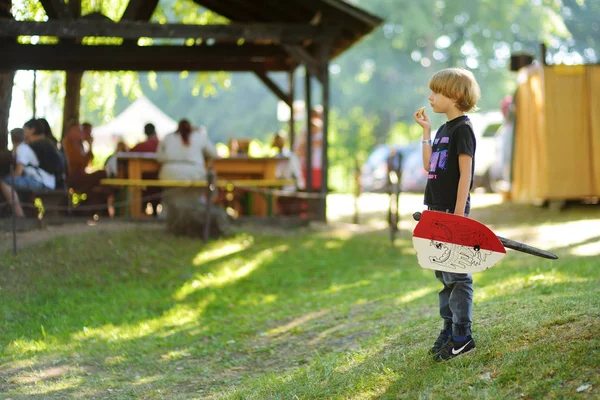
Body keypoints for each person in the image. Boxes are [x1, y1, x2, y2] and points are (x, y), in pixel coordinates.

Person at [414, 67, 480, 361]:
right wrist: (427, 133)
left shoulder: (463, 129)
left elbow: (466, 174)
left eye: (436, 92)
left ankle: (462, 336)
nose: (430, 97)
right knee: (443, 274)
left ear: (454, 94)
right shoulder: (443, 129)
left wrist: (457, 215)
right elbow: (429, 167)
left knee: (458, 276)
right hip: (436, 211)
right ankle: (449, 328)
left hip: (451, 213)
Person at [157, 119, 230, 236]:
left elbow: (159, 157)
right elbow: (214, 154)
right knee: (195, 199)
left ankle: (171, 220)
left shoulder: (168, 137)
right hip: (195, 174)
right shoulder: (199, 137)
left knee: (174, 199)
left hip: (169, 174)